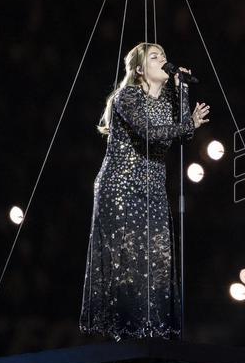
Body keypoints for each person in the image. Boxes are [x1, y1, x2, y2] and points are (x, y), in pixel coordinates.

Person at [79, 42, 211, 341]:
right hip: (121, 187)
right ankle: (121, 337)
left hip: (152, 189)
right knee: (126, 261)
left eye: (164, 55)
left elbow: (185, 134)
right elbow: (150, 133)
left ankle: (151, 334)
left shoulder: (167, 99)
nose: (163, 59)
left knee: (157, 258)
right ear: (139, 69)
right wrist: (188, 123)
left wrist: (182, 88)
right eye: (155, 57)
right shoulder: (127, 96)